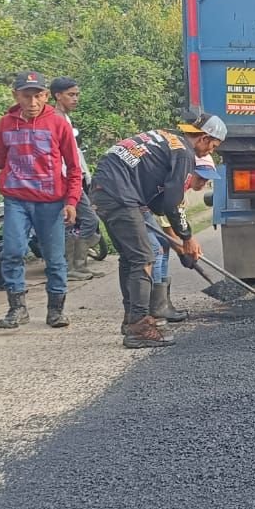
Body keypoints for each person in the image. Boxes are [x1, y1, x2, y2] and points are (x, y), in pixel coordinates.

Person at [90, 110, 225, 349]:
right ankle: (140, 327)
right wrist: (187, 237)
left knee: (131, 258)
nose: (211, 151)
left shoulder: (167, 138)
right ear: (203, 138)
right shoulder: (184, 153)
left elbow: (158, 204)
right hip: (121, 194)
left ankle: (130, 318)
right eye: (213, 145)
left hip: (105, 190)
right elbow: (172, 204)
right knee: (144, 257)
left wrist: (179, 238)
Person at [0, 70, 82, 330]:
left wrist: (71, 201)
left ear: (46, 96)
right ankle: (17, 309)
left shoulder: (58, 124)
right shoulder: (6, 123)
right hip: (16, 199)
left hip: (50, 201)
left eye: (38, 96)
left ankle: (55, 310)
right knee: (12, 252)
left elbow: (74, 168)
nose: (33, 102)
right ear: (16, 95)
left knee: (55, 257)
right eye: (27, 96)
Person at [144, 154, 217, 323]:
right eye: (201, 178)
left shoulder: (183, 190)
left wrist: (182, 249)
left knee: (163, 245)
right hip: (137, 207)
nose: (203, 183)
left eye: (207, 181)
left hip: (148, 211)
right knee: (155, 249)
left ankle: (163, 302)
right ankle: (155, 307)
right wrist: (183, 250)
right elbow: (167, 225)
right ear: (189, 172)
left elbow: (176, 225)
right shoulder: (175, 187)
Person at [50, 76, 104, 281]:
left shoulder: (65, 117)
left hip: (74, 180)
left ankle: (77, 266)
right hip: (64, 181)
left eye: (77, 95)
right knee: (84, 220)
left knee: (78, 222)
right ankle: (70, 266)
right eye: (71, 95)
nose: (76, 99)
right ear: (57, 96)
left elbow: (75, 153)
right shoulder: (55, 118)